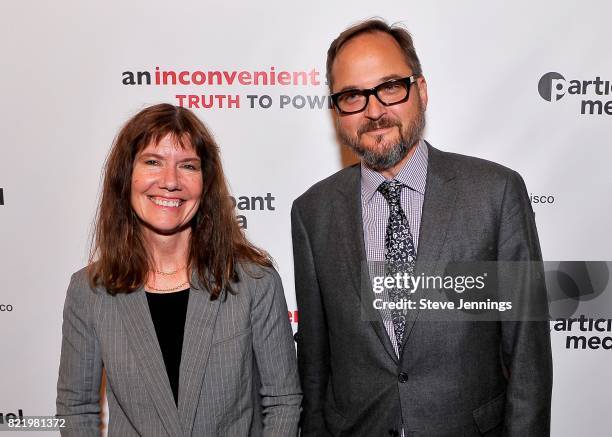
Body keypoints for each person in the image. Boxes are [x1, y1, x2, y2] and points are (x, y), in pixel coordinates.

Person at [291, 19, 552, 437]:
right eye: (353, 95)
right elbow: (315, 364)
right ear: (337, 111)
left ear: (421, 91)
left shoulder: (496, 193)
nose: (374, 111)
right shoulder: (311, 212)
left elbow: (527, 354)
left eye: (390, 86)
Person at [56, 103, 301, 436]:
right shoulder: (90, 291)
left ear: (205, 182)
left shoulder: (253, 281)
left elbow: (283, 401)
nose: (170, 182)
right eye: (153, 162)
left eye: (187, 166)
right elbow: (77, 408)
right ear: (126, 175)